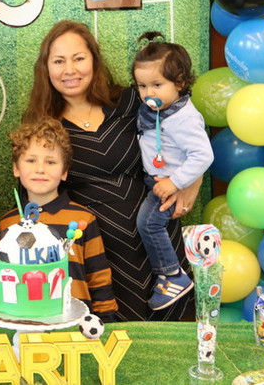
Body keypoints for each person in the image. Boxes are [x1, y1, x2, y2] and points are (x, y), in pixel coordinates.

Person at [23, 20, 201, 321]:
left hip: (157, 244)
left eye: (79, 58)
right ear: (46, 68)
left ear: (94, 59)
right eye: (59, 61)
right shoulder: (43, 127)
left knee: (175, 337)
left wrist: (190, 185)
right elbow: (36, 195)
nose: (70, 70)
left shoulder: (132, 101)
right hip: (97, 254)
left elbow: (187, 132)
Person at [0, 117, 118, 321]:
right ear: (16, 168)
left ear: (64, 172)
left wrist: (105, 319)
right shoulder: (8, 224)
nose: (40, 169)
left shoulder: (83, 219)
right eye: (31, 160)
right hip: (24, 323)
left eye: (51, 162)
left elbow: (99, 277)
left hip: (76, 324)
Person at [132, 31, 213, 310]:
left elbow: (203, 155)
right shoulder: (158, 109)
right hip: (155, 179)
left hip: (168, 185)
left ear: (179, 83)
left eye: (157, 84)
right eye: (142, 86)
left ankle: (172, 275)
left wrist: (175, 183)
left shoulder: (182, 117)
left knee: (149, 223)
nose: (148, 93)